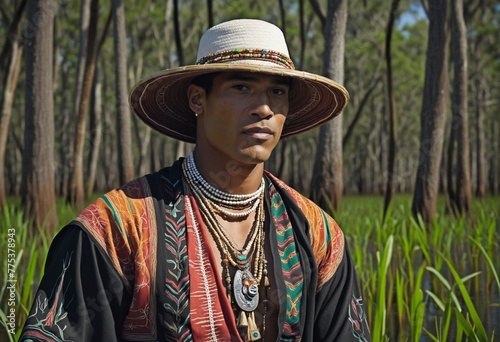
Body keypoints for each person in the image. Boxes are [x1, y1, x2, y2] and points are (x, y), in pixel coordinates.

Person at [20, 19, 370, 342]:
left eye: (277, 92)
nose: (263, 107)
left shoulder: (317, 233)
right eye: (242, 86)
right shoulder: (117, 228)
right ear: (197, 99)